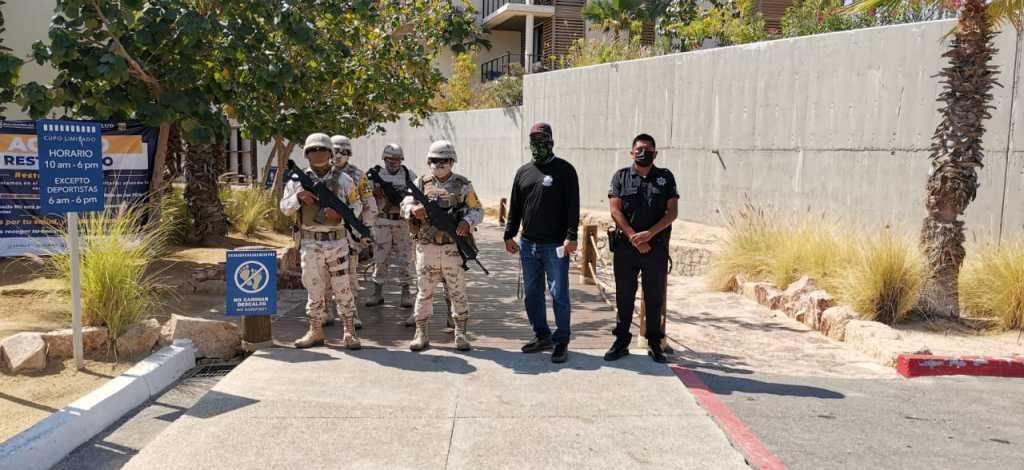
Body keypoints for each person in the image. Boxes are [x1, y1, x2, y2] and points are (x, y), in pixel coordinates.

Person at [503, 122, 580, 364]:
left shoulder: (565, 170)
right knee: (532, 294)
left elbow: (573, 207)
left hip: (555, 246)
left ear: (551, 142)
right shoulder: (523, 172)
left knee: (559, 294)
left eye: (542, 140)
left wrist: (572, 236)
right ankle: (542, 335)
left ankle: (562, 340)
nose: (537, 145)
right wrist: (509, 234)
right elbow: (515, 207)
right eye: (533, 140)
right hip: (528, 245)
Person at [279, 133, 364, 349]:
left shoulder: (344, 180)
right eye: (313, 150)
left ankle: (349, 331)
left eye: (322, 150)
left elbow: (357, 206)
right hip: (310, 242)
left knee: (343, 287)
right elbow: (285, 208)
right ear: (306, 154)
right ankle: (315, 330)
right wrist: (299, 197)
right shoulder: (297, 181)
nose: (318, 154)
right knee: (314, 288)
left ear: (330, 153)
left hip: (337, 242)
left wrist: (341, 215)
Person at [401, 140, 483, 351]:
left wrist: (467, 222)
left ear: (452, 161)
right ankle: (421, 333)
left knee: (457, 292)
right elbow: (405, 203)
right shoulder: (420, 183)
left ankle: (461, 333)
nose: (439, 164)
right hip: (426, 247)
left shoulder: (463, 184)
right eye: (435, 160)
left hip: (452, 248)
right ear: (429, 161)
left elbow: (477, 210)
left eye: (444, 160)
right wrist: (413, 210)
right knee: (424, 292)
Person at [603, 133, 678, 364]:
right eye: (639, 149)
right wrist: (634, 236)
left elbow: (672, 212)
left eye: (648, 149)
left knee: (654, 297)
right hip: (626, 248)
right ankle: (621, 341)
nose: (643, 152)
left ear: (655, 153)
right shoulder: (621, 177)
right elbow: (615, 210)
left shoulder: (665, 178)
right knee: (624, 296)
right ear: (631, 152)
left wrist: (649, 235)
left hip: (655, 249)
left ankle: (654, 342)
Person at [328, 134, 378, 329]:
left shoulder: (358, 176)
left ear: (348, 153)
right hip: (323, 231)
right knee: (323, 276)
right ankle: (325, 311)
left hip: (349, 232)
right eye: (334, 151)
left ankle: (352, 313)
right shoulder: (320, 173)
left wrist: (364, 231)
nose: (337, 155)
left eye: (342, 151)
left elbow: (369, 205)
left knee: (349, 274)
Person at [366, 143, 417, 309]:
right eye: (389, 159)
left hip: (402, 222)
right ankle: (377, 292)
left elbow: (416, 197)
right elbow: (365, 196)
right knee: (380, 258)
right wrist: (374, 194)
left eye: (396, 159)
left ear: (401, 160)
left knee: (405, 258)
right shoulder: (376, 175)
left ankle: (406, 292)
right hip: (382, 221)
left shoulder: (409, 175)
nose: (393, 162)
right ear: (384, 159)